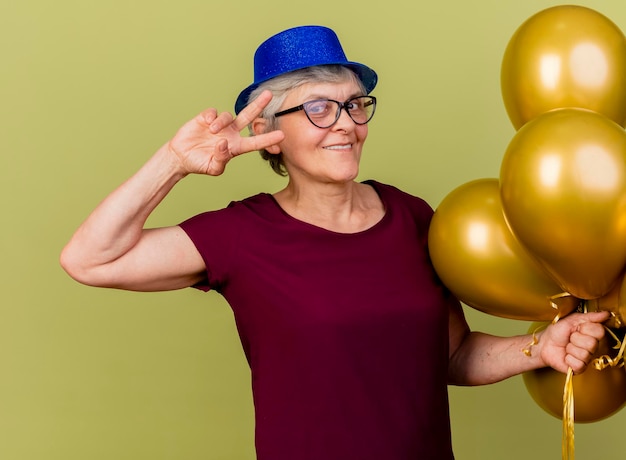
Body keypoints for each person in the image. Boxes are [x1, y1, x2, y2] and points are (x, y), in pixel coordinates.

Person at [60, 25, 608, 460]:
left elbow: (450, 357)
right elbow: (89, 258)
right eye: (319, 108)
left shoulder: (413, 218)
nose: (346, 123)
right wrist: (175, 163)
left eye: (355, 104)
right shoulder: (240, 235)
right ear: (272, 131)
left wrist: (540, 346)